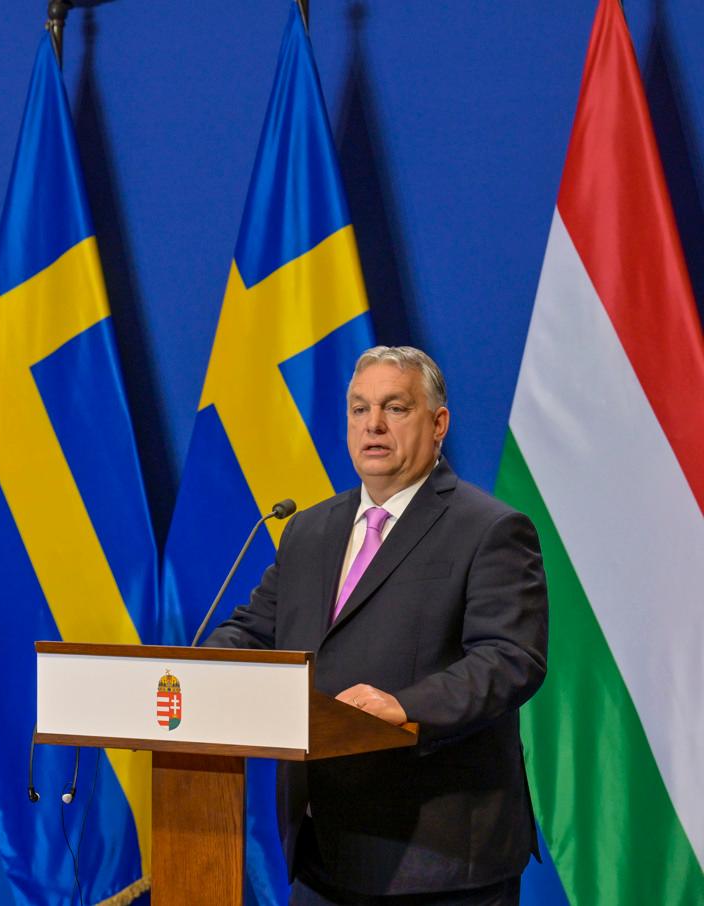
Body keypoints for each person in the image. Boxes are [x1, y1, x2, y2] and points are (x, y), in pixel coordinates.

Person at [205, 347, 548, 906]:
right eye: (359, 409)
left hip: (436, 859)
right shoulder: (309, 531)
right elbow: (254, 631)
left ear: (438, 424)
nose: (374, 426)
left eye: (395, 407)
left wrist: (406, 706)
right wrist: (195, 674)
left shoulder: (489, 529)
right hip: (321, 851)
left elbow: (509, 659)